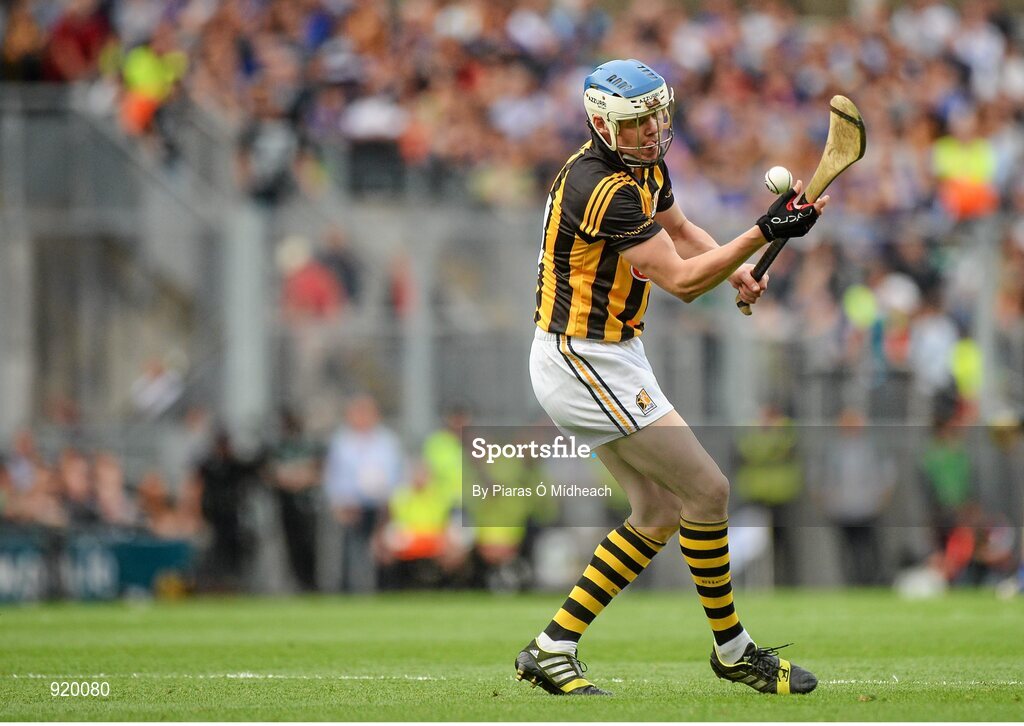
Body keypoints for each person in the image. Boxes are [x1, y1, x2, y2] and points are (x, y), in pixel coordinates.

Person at [517, 59, 827, 696]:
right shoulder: (601, 186)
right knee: (708, 491)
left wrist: (737, 268)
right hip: (582, 357)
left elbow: (682, 233)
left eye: (658, 116)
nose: (654, 130)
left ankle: (552, 646)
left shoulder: (644, 167)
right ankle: (733, 650)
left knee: (657, 512)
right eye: (638, 122)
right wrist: (764, 230)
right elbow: (683, 281)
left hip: (609, 353)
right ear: (603, 125)